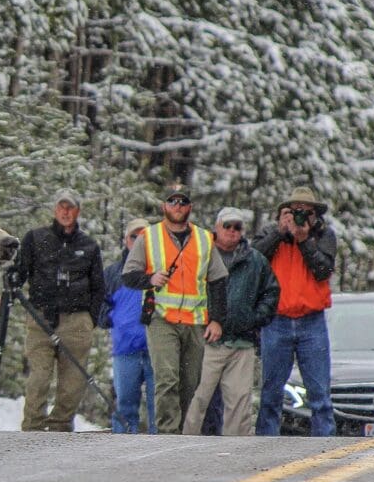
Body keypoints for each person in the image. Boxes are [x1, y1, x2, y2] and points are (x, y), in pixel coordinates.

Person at [122, 186, 228, 434]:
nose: (177, 206)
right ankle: (166, 432)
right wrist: (150, 279)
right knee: (167, 378)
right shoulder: (149, 236)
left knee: (189, 383)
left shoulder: (204, 238)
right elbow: (128, 275)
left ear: (190, 207)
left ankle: (178, 432)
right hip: (161, 318)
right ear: (164, 206)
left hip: (195, 320)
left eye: (182, 202)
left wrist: (217, 320)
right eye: (172, 201)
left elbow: (219, 281)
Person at [12, 188, 105, 432]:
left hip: (76, 321)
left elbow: (99, 287)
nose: (65, 211)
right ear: (55, 209)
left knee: (72, 383)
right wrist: (11, 280)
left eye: (70, 207)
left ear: (78, 211)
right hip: (41, 317)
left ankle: (60, 427)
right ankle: (32, 426)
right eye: (61, 207)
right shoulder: (35, 238)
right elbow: (19, 273)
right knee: (39, 376)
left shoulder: (89, 246)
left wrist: (89, 320)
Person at [183, 207, 280, 436]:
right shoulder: (200, 255)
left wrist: (255, 318)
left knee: (239, 402)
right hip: (206, 340)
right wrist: (199, 319)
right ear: (217, 228)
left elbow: (271, 292)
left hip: (241, 342)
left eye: (237, 227)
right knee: (197, 398)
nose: (232, 231)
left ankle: (237, 455)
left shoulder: (255, 260)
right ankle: (183, 444)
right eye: (227, 226)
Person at [252, 186, 337, 437]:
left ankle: (324, 444)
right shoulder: (272, 234)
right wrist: (280, 233)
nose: (301, 217)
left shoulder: (324, 236)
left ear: (315, 215)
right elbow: (253, 260)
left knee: (319, 392)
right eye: (295, 211)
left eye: (306, 212)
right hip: (277, 320)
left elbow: (323, 270)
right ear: (283, 213)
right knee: (271, 392)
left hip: (312, 321)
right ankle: (265, 443)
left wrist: (304, 241)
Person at [99, 218, 157, 434]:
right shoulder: (113, 273)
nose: (139, 241)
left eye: (145, 237)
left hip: (156, 350)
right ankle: (119, 453)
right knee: (124, 408)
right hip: (125, 349)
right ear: (126, 240)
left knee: (158, 408)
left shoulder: (159, 271)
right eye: (135, 236)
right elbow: (99, 303)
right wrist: (111, 318)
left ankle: (161, 457)